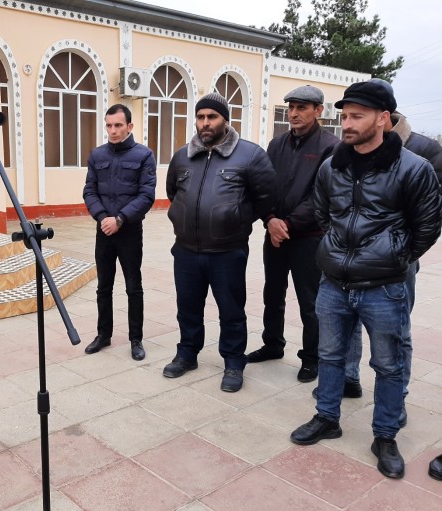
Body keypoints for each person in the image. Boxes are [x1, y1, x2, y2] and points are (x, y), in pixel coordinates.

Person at [290, 80, 441, 479]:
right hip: (334, 284)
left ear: (383, 119)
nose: (347, 124)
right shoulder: (332, 165)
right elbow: (323, 214)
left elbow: (428, 226)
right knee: (330, 355)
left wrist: (395, 256)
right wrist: (338, 253)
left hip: (385, 287)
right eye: (344, 116)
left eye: (357, 116)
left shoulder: (414, 168)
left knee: (390, 364)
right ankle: (327, 417)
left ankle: (385, 435)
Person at [163, 93, 275, 392]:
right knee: (187, 307)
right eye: (200, 117)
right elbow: (173, 192)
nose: (205, 123)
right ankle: (187, 354)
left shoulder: (250, 155)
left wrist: (234, 218)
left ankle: (234, 362)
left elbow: (265, 198)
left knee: (231, 310)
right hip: (186, 249)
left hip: (228, 251)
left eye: (211, 117)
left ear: (225, 119)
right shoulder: (182, 156)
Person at [247, 85, 339, 383]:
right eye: (291, 107)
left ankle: (312, 357)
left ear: (318, 111)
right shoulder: (276, 145)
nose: (295, 113)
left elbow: (322, 196)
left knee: (310, 301)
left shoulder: (331, 147)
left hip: (308, 238)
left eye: (302, 107)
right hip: (274, 233)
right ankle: (273, 344)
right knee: (272, 294)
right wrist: (271, 219)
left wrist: (287, 225)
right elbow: (265, 187)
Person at [82, 104, 157, 361]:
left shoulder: (144, 155)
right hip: (104, 231)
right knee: (103, 287)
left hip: (130, 232)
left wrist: (121, 219)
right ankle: (104, 335)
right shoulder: (97, 155)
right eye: (109, 125)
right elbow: (89, 191)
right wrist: (104, 218)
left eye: (118, 125)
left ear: (130, 127)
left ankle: (136, 339)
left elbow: (146, 195)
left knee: (133, 287)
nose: (112, 130)